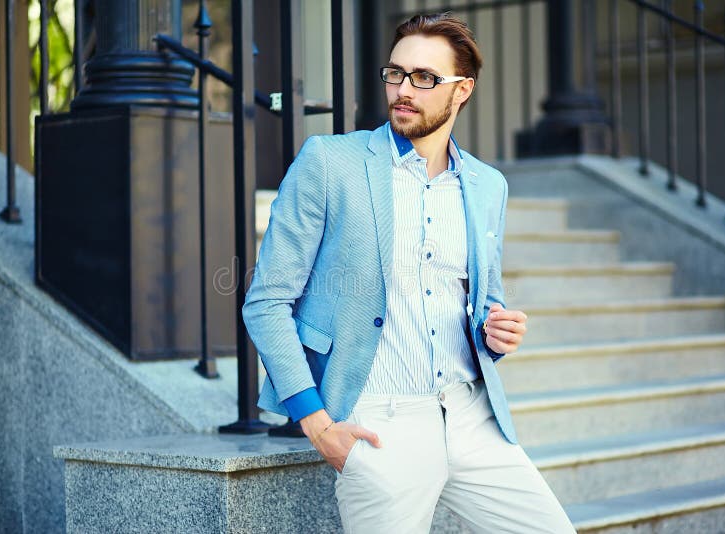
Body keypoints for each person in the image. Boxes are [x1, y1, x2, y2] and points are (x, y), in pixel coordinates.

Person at [243, 12, 575, 533]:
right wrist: (317, 424)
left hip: (473, 417)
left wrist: (496, 329)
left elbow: (481, 298)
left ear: (462, 90)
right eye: (396, 73)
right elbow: (266, 301)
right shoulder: (330, 163)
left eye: (425, 78)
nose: (404, 89)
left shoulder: (488, 187)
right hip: (379, 421)